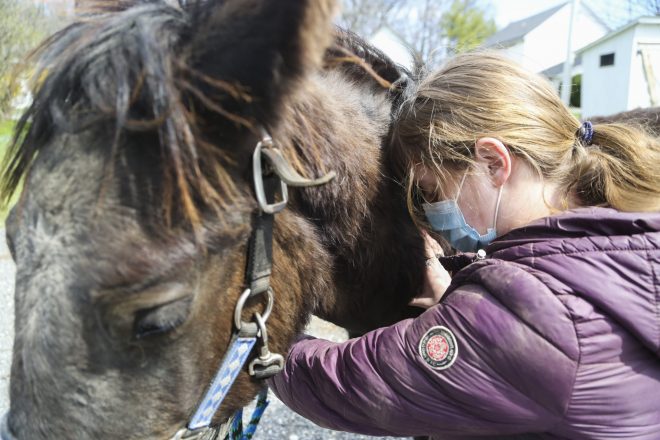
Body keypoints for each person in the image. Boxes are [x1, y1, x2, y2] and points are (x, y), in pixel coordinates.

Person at [267, 52, 660, 439]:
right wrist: (463, 300)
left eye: (432, 190)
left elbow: (356, 383)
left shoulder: (545, 317)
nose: (433, 213)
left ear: (493, 162)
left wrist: (264, 346)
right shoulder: (621, 231)